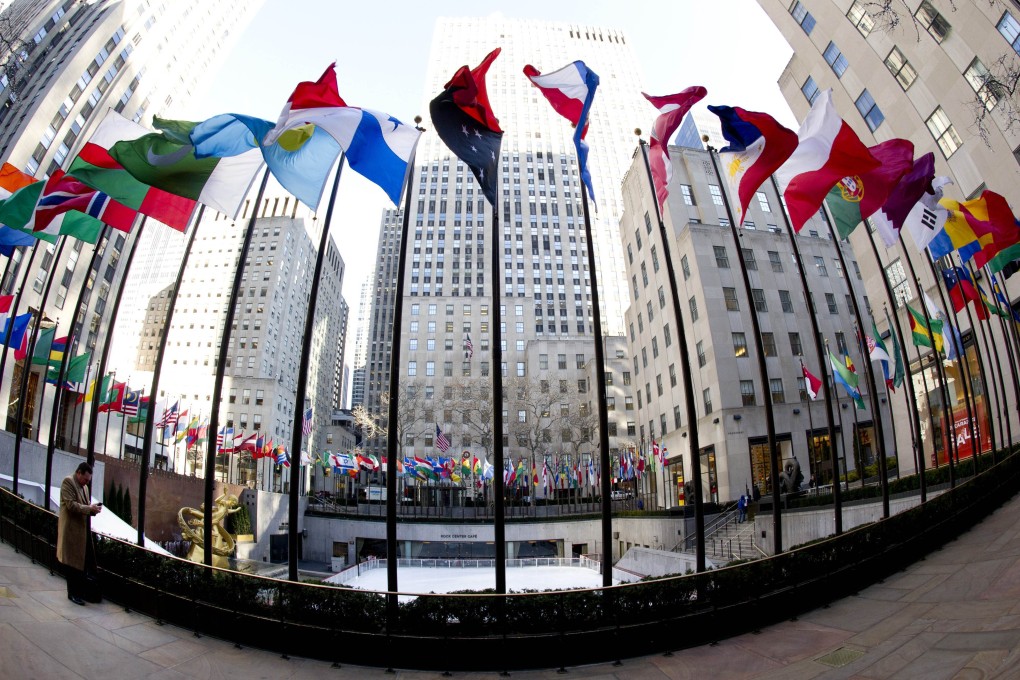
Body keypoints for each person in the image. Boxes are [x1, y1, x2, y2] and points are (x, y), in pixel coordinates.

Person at [58, 462, 102, 605]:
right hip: (71, 531)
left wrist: (93, 510)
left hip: (81, 532)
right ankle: (72, 594)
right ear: (79, 473)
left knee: (81, 564)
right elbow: (71, 505)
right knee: (72, 565)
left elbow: (83, 507)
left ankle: (79, 592)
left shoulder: (84, 487)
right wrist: (89, 508)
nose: (86, 482)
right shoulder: (68, 482)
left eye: (88, 480)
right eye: (85, 479)